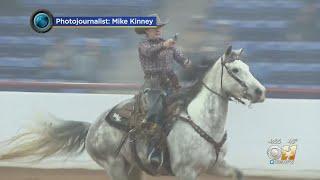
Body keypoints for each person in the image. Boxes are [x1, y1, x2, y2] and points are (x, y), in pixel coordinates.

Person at [135, 14, 192, 168]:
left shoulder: (170, 44)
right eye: (155, 27)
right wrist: (165, 45)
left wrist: (188, 63)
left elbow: (182, 59)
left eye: (159, 27)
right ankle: (153, 150)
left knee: (188, 107)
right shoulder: (144, 45)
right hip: (152, 85)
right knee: (156, 112)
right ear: (147, 30)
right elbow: (150, 52)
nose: (158, 30)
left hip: (171, 84)